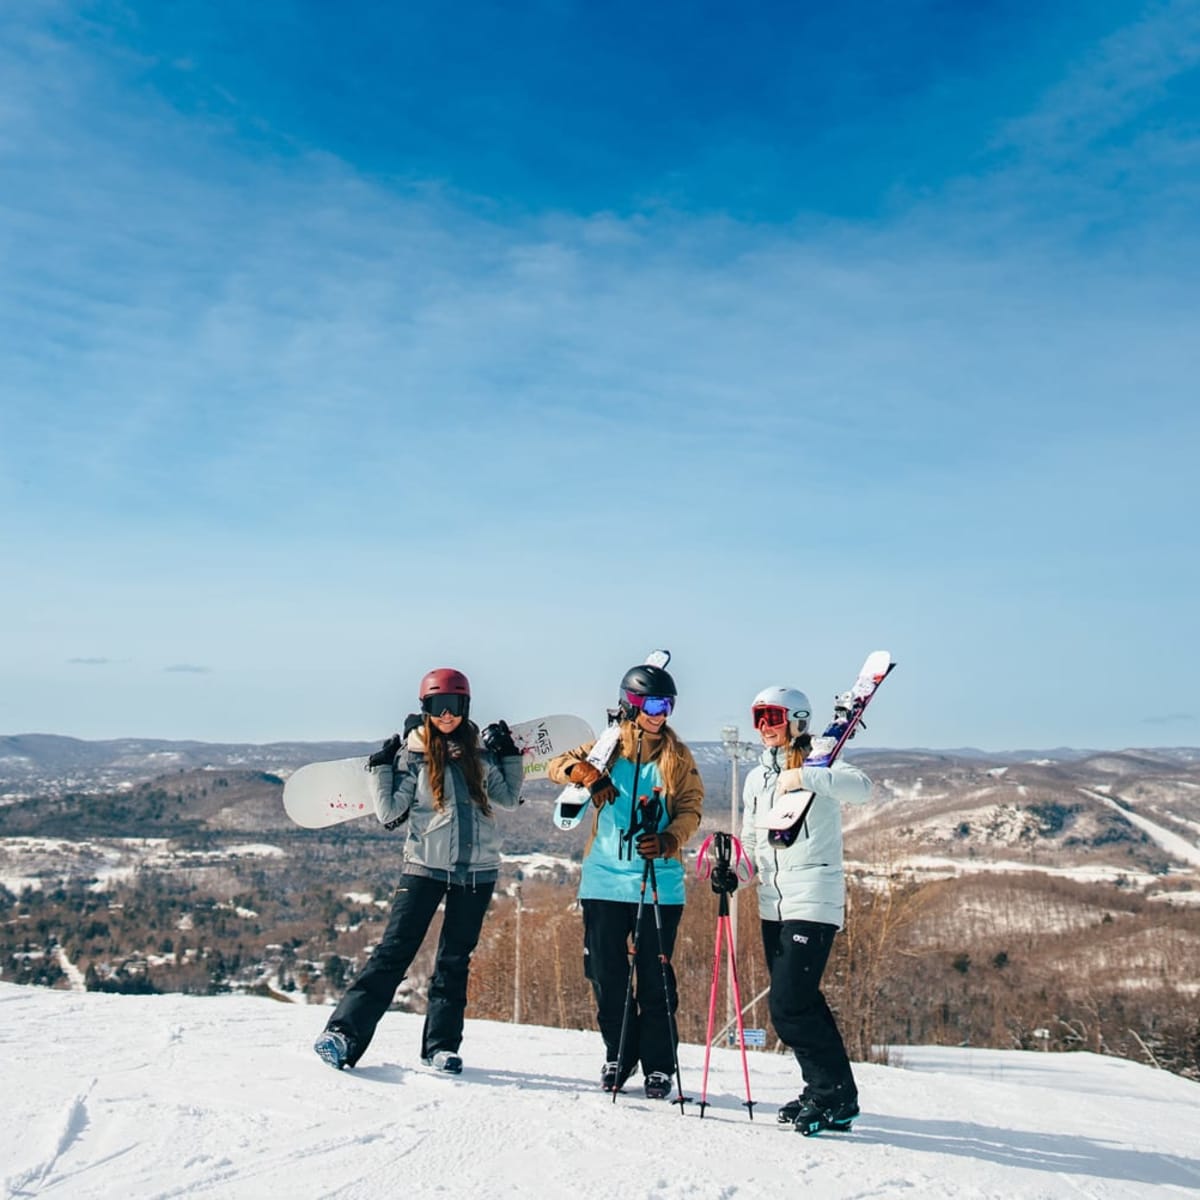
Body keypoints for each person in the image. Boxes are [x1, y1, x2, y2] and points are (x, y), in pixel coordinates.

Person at [313, 667, 524, 1073]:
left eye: (454, 705)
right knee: (393, 953)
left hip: (477, 871)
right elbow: (390, 812)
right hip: (424, 867)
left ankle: (440, 1047)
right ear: (425, 708)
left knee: (454, 962)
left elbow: (509, 799)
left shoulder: (480, 754)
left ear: (466, 707)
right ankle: (343, 1035)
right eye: (438, 705)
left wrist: (509, 756)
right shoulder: (414, 755)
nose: (447, 715)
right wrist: (382, 768)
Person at [547, 659, 704, 1100]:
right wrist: (584, 772)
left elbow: (691, 808)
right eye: (652, 705)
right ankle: (619, 1053)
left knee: (655, 978)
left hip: (658, 882)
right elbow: (557, 765)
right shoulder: (607, 746)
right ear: (631, 704)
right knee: (607, 974)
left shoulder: (677, 756)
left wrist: (670, 839)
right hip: (604, 881)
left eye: (667, 705)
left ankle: (659, 1065)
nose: (660, 714)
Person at [739, 684, 872, 1134]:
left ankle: (834, 1094)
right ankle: (825, 1090)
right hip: (772, 903)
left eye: (773, 717)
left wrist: (807, 778)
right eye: (758, 718)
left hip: (813, 895)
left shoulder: (822, 760)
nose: (765, 727)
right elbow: (753, 842)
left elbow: (862, 789)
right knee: (799, 1002)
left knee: (789, 1004)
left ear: (796, 720)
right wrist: (734, 872)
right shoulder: (755, 779)